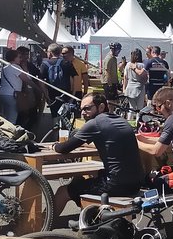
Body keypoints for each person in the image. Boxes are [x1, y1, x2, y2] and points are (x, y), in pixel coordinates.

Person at [52, 91, 146, 220]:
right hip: (136, 182)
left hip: (116, 185)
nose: (83, 112)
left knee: (64, 191)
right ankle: (89, 218)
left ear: (101, 107)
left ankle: (41, 226)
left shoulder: (95, 123)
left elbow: (63, 148)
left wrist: (54, 146)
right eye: (82, 109)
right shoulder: (120, 120)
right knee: (90, 176)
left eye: (87, 108)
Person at [0, 48, 25, 123]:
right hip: (12, 95)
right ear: (14, 58)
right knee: (12, 117)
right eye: (19, 57)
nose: (21, 59)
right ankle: (10, 132)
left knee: (5, 116)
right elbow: (26, 79)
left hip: (3, 94)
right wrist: (36, 87)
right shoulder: (16, 67)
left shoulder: (4, 68)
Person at [123, 49, 147, 113]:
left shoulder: (128, 65)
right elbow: (145, 78)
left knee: (131, 108)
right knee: (139, 108)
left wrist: (124, 88)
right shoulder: (142, 65)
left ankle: (130, 121)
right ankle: (138, 121)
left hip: (130, 87)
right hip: (140, 87)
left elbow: (125, 77)